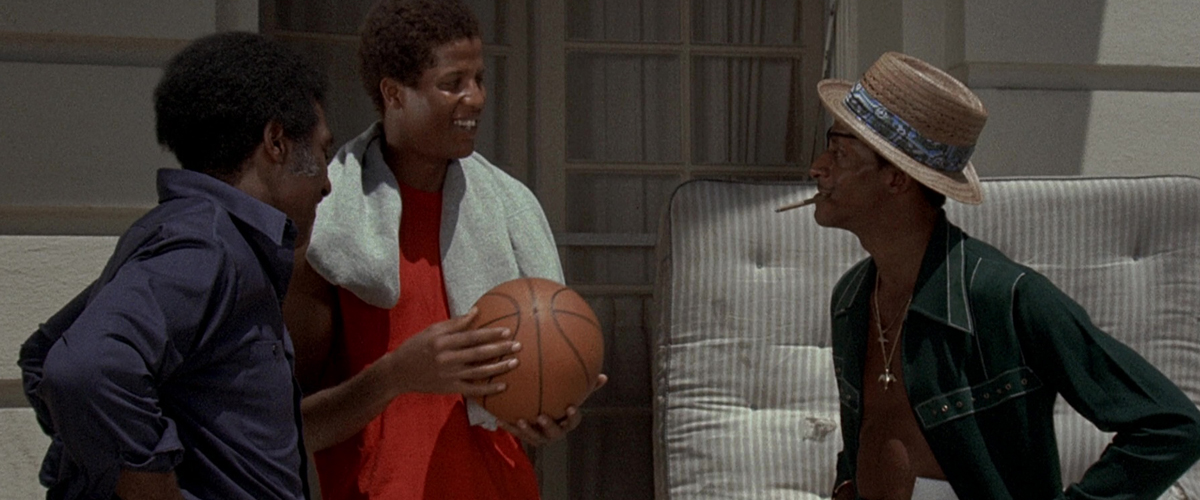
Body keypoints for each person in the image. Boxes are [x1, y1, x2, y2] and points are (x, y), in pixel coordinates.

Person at [788, 51, 1200, 499]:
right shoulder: (852, 297)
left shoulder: (1006, 298)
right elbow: (869, 434)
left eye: (839, 152)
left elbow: (1172, 427)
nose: (818, 167)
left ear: (897, 178)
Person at [282, 0, 606, 498]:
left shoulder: (509, 210)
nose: (475, 99)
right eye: (453, 83)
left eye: (479, 80)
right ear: (393, 94)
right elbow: (290, 426)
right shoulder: (330, 232)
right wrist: (395, 375)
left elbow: (525, 394)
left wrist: (548, 405)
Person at [17, 31, 333, 499]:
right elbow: (83, 368)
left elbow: (44, 357)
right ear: (276, 142)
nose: (327, 184)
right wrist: (145, 483)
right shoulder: (206, 246)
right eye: (324, 152)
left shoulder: (205, 238)